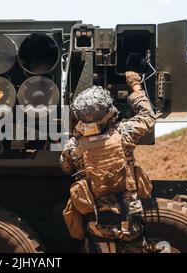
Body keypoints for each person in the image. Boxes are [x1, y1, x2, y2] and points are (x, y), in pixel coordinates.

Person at [60, 71, 156, 253]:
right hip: (130, 222)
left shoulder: (74, 147)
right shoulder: (124, 133)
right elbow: (148, 116)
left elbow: (65, 167)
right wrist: (135, 85)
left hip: (98, 225)